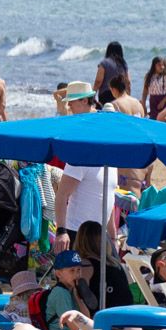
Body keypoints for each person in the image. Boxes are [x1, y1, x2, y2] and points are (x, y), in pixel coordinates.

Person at [54, 83, 114, 236]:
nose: (69, 106)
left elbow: (109, 196)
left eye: (71, 102)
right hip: (78, 231)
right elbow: (62, 195)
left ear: (84, 101)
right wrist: (61, 231)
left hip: (99, 233)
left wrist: (112, 235)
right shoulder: (81, 152)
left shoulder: (110, 157)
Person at [142, 55, 166, 121]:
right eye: (159, 65)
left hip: (164, 100)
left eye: (163, 65)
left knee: (164, 120)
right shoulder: (148, 76)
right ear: (154, 66)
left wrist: (163, 101)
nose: (162, 67)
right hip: (153, 100)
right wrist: (143, 103)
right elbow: (145, 91)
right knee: (153, 120)